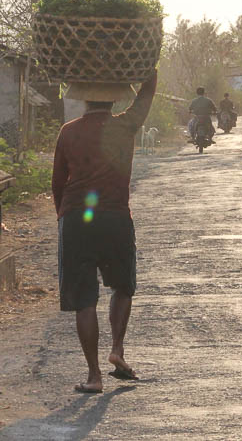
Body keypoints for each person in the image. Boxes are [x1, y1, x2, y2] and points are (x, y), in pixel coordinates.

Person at [51, 70, 158, 393]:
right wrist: (148, 68)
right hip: (115, 217)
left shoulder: (68, 132)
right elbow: (147, 94)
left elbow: (57, 182)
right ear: (115, 97)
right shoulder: (125, 125)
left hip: (77, 220)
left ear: (83, 97)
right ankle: (117, 348)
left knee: (84, 299)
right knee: (123, 286)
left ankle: (94, 376)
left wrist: (63, 216)